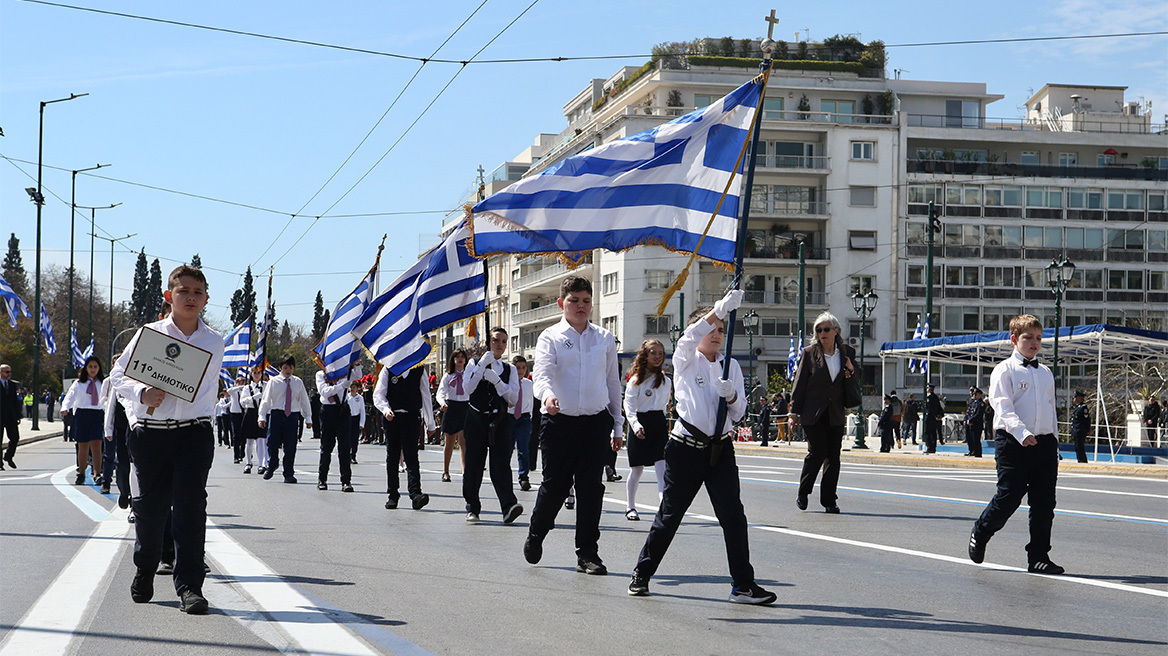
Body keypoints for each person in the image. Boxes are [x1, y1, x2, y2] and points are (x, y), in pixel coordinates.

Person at [628, 292, 776, 604]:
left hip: (720, 449)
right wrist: (719, 308)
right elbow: (687, 338)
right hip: (686, 449)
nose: (717, 334)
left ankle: (743, 585)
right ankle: (642, 572)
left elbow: (739, 413)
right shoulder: (685, 359)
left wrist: (731, 395)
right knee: (670, 515)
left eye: (721, 329)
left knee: (733, 517)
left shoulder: (730, 365)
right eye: (712, 328)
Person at [110, 264, 224, 614]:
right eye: (183, 291)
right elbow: (118, 375)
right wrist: (142, 393)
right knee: (150, 509)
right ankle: (145, 567)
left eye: (197, 293)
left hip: (194, 432)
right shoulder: (150, 334)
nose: (191, 298)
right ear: (168, 296)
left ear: (206, 299)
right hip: (152, 434)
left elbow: (202, 388)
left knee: (191, 510)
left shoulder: (214, 341)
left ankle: (190, 586)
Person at [524, 276, 624, 576]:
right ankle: (537, 532)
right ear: (561, 303)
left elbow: (612, 383)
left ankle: (587, 553)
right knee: (555, 487)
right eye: (574, 300)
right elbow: (541, 375)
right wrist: (548, 396)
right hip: (559, 422)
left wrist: (618, 425)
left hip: (595, 424)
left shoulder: (604, 338)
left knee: (591, 489)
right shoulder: (550, 337)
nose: (581, 306)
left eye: (586, 300)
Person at [968, 314, 1064, 575]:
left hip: (1044, 444)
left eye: (1038, 338)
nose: (1034, 343)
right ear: (1014, 339)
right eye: (1028, 337)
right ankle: (982, 530)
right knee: (1008, 498)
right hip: (1013, 443)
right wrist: (1022, 433)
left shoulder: (1045, 372)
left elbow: (1050, 410)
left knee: (1044, 505)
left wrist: (1054, 443)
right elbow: (1002, 407)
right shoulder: (1004, 370)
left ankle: (1038, 557)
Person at [789, 311, 858, 514]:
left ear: (836, 331)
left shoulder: (847, 352)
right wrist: (793, 413)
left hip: (835, 412)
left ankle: (829, 500)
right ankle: (804, 491)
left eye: (826, 329)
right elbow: (799, 384)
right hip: (813, 412)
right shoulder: (809, 353)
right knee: (817, 452)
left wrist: (851, 369)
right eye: (818, 330)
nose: (822, 333)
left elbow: (857, 376)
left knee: (833, 457)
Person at [460, 328, 523, 523]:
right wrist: (481, 367)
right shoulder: (474, 363)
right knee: (473, 465)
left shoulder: (510, 369)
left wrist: (497, 381)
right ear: (488, 342)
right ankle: (472, 507)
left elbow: (513, 399)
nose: (500, 344)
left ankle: (508, 506)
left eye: (504, 341)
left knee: (501, 464)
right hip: (476, 419)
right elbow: (467, 388)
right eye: (496, 340)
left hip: (500, 420)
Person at [374, 361, 436, 510]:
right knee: (393, 456)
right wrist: (386, 409)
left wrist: (430, 423)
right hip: (392, 417)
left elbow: (426, 396)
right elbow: (378, 394)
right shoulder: (388, 368)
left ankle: (416, 494)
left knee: (411, 455)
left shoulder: (418, 369)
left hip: (411, 416)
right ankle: (393, 495)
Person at [623, 339, 671, 521]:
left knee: (662, 469)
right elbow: (629, 407)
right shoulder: (636, 380)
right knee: (636, 470)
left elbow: (665, 406)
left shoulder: (666, 381)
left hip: (658, 424)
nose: (657, 357)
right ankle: (630, 507)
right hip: (640, 423)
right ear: (645, 355)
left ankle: (663, 509)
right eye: (653, 353)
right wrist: (636, 425)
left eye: (660, 353)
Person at [258, 354, 313, 484]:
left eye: (291, 368)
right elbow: (266, 400)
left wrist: (308, 417)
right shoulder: (273, 382)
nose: (288, 370)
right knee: (272, 443)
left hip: (292, 416)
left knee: (290, 446)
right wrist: (262, 416)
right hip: (277, 414)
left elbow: (304, 400)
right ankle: (272, 464)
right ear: (280, 368)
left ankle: (288, 473)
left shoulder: (297, 382)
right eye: (285, 367)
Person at [63, 356, 109, 485]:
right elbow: (70, 396)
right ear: (86, 368)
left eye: (95, 367)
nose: (93, 369)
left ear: (99, 368)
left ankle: (97, 473)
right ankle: (81, 473)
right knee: (82, 446)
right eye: (90, 367)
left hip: (97, 414)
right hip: (82, 414)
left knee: (97, 446)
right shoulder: (79, 383)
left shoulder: (103, 383)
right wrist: (65, 407)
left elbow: (107, 399)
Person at [315, 367, 355, 491]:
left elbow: (357, 374)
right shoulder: (321, 374)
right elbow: (324, 392)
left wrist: (356, 364)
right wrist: (342, 386)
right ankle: (322, 479)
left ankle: (346, 481)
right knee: (326, 447)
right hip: (328, 411)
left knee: (344, 448)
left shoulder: (344, 372)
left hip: (343, 410)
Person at [436, 349, 471, 483]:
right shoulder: (448, 376)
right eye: (457, 357)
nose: (460, 359)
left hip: (465, 407)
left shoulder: (469, 374)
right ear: (453, 359)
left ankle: (465, 471)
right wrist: (442, 403)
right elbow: (441, 392)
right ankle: (446, 471)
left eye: (462, 357)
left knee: (464, 441)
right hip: (451, 407)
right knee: (449, 442)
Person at [508, 355, 535, 492]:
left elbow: (531, 401)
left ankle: (524, 476)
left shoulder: (528, 384)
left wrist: (530, 416)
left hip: (524, 418)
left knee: (523, 448)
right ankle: (505, 476)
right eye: (518, 368)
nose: (520, 371)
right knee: (507, 448)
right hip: (510, 418)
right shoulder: (508, 383)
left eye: (523, 368)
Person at [239, 366, 266, 474]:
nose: (257, 375)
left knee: (261, 440)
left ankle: (261, 464)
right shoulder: (247, 388)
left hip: (261, 413)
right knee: (249, 441)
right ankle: (248, 463)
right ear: (251, 374)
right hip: (250, 414)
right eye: (255, 372)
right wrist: (253, 397)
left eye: (259, 372)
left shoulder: (265, 386)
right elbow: (242, 402)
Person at [0, 364, 21, 470]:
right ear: (1, 372)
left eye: (10, 372)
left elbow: (15, 401)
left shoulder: (12, 385)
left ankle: (8, 456)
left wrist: (18, 415)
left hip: (10, 416)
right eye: (7, 372)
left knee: (15, 438)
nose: (9, 374)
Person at [347, 380, 365, 467]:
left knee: (354, 439)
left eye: (354, 387)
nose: (352, 389)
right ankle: (347, 456)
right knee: (348, 438)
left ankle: (353, 455)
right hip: (348, 419)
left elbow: (362, 411)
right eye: (351, 387)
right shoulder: (347, 397)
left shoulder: (360, 398)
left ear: (357, 388)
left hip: (356, 419)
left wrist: (362, 423)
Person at [964, 387, 986, 458]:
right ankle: (972, 451)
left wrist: (971, 420)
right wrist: (967, 420)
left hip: (977, 424)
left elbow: (978, 414)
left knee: (976, 439)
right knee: (970, 438)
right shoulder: (973, 402)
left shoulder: (981, 404)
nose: (974, 396)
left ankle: (977, 453)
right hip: (970, 423)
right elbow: (969, 412)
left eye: (975, 394)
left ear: (979, 395)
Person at [1070, 390, 1090, 463]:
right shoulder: (1078, 407)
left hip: (1080, 431)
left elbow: (1086, 419)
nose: (1074, 399)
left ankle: (1082, 461)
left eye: (1075, 397)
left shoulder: (1083, 408)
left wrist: (1088, 429)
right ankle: (1080, 460)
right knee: (1077, 447)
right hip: (1077, 430)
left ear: (1079, 398)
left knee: (1080, 447)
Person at [924, 384, 944, 453]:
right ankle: (933, 447)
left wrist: (935, 415)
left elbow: (930, 408)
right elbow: (938, 407)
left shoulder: (929, 397)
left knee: (927, 432)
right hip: (934, 418)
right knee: (933, 433)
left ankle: (929, 447)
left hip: (930, 416)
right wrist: (938, 415)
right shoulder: (936, 397)